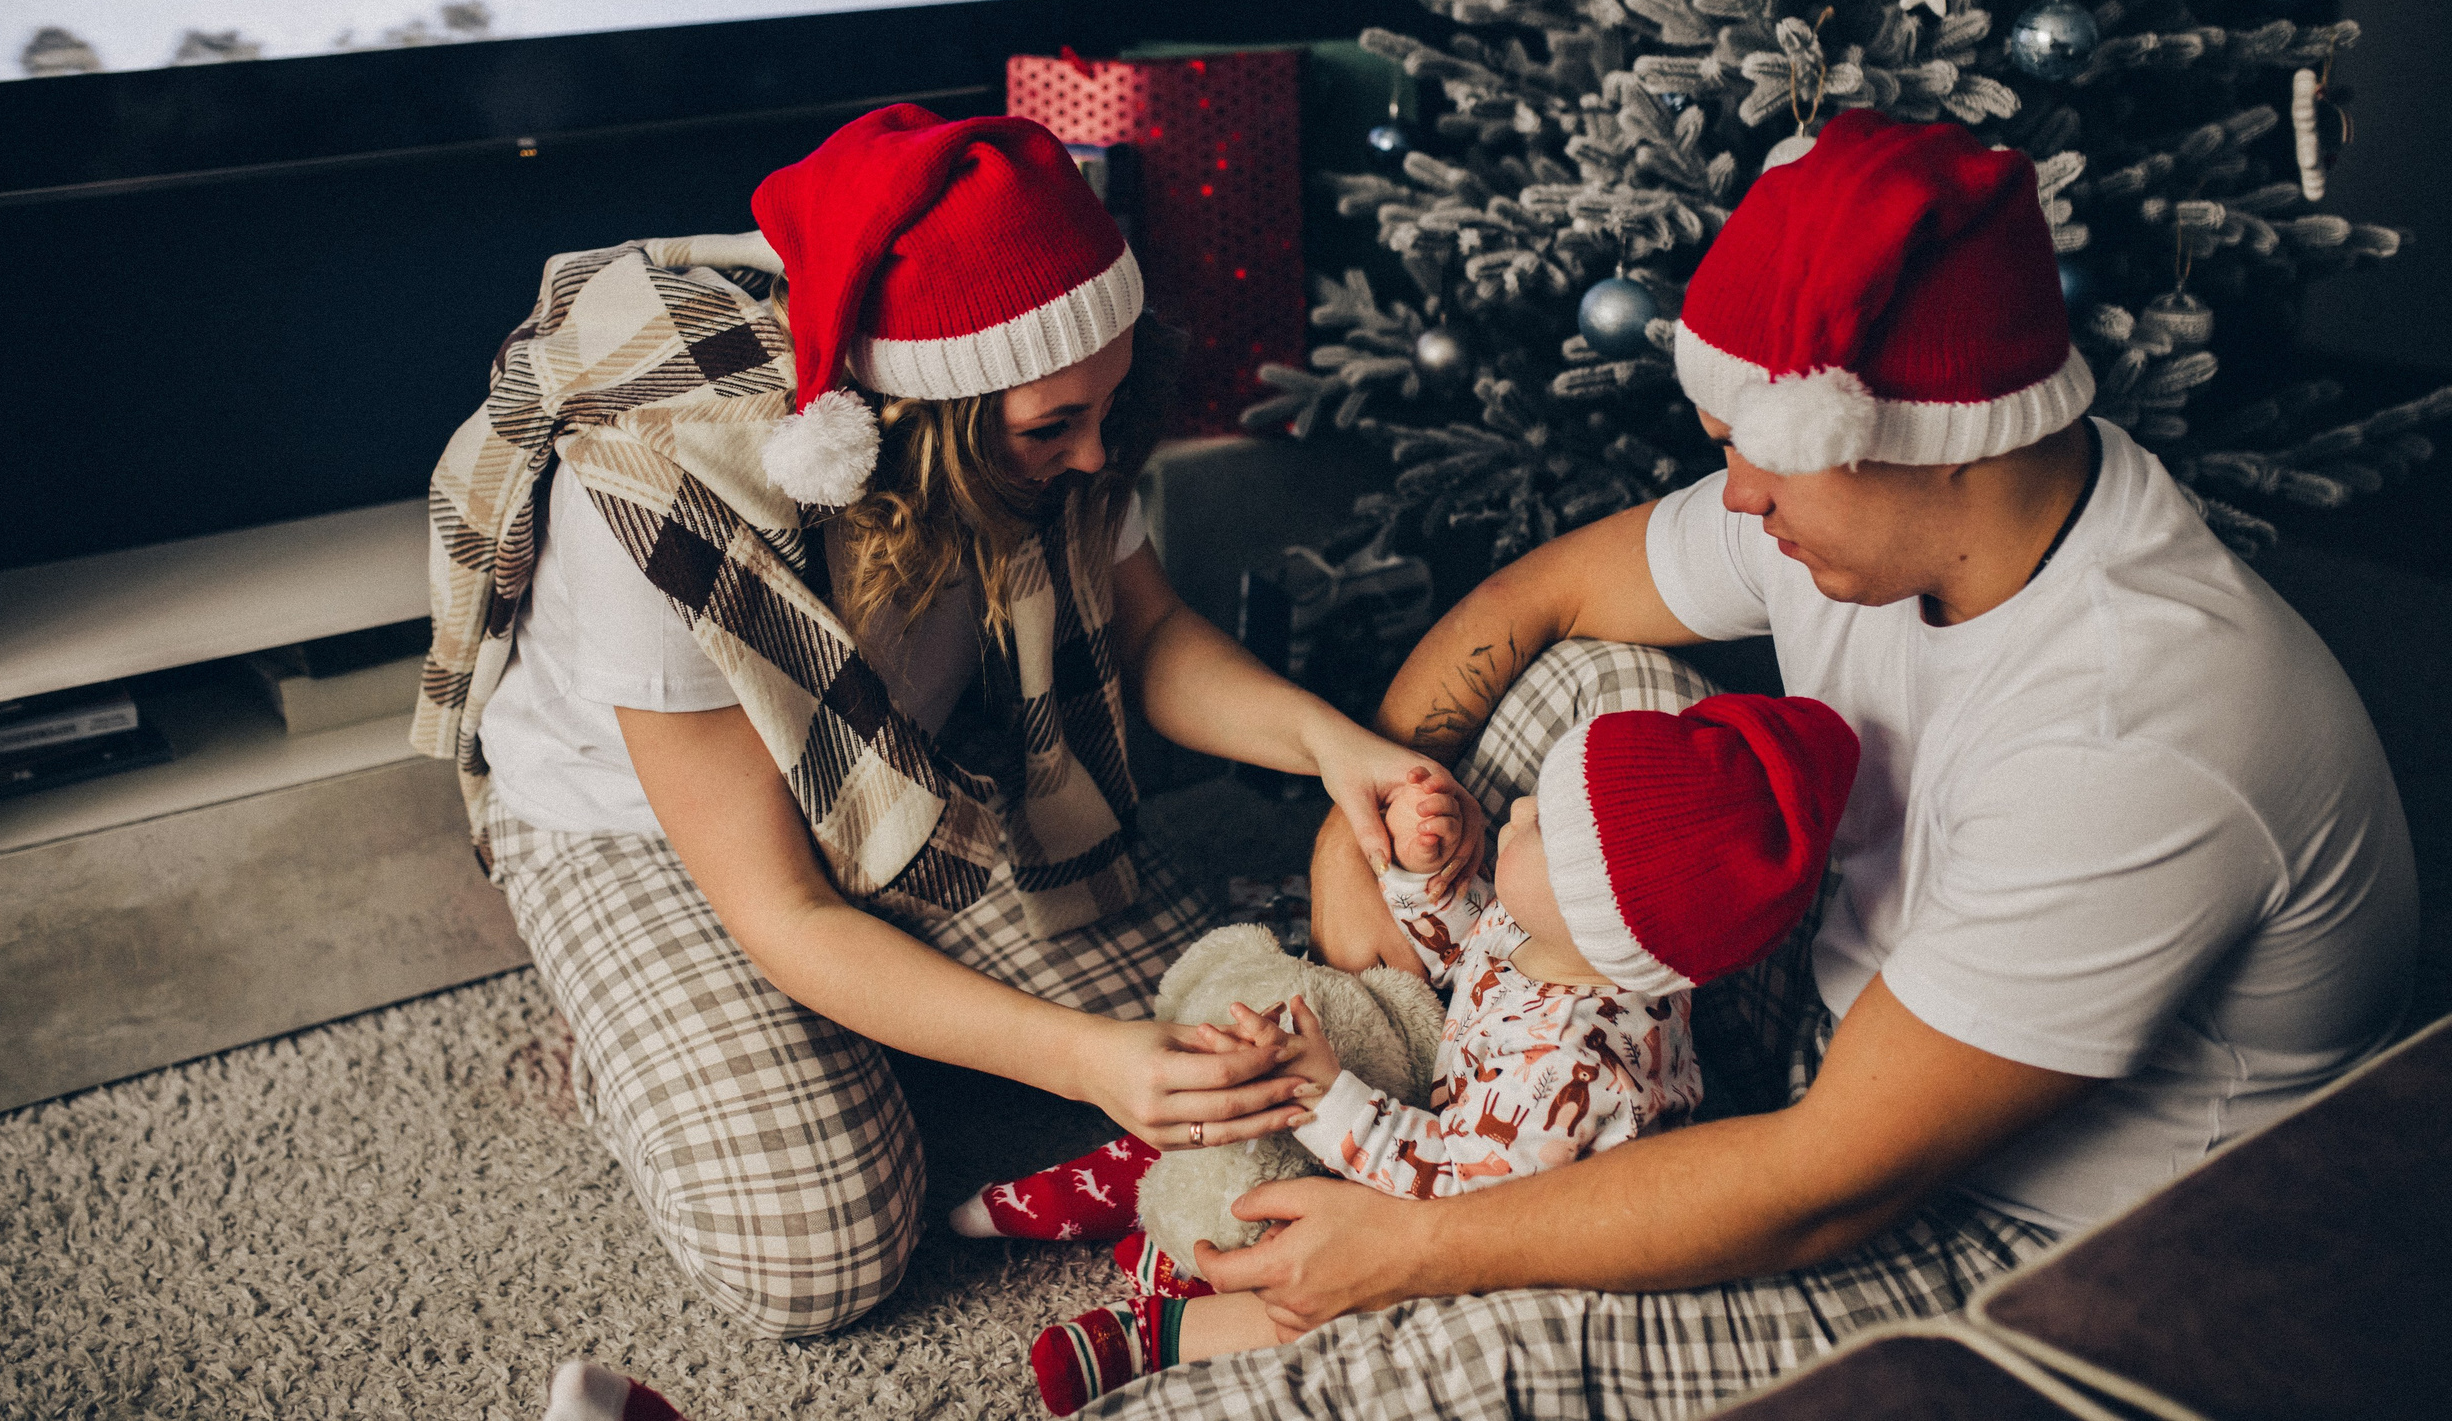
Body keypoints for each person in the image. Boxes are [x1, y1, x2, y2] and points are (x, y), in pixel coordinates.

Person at [1088, 110, 2418, 1420]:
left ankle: (1381, 1248)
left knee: (1443, 1360)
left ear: (1927, 444)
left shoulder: (2133, 735)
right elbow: (1540, 595)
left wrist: (1420, 1246)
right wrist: (1358, 811)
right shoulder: (1870, 510)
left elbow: (1825, 1180)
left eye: (1755, 453)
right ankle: (1462, 1087)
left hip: (2018, 1222)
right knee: (1584, 681)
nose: (1736, 496)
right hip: (1845, 1024)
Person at [412, 105, 1474, 1339]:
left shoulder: (1065, 406)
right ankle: (637, 1047)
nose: (1096, 459)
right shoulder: (661, 502)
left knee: (1236, 1041)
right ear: (916, 422)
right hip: (644, 830)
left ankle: (856, 1029)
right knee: (816, 1255)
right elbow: (785, 907)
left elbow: (1150, 638)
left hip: (904, 768)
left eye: (1109, 410)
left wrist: (1331, 744)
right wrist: (1080, 1059)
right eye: (1052, 431)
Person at [1021, 693, 1860, 1415]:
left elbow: (1445, 1196)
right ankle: (1176, 1215)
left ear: (1596, 912)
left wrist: (1328, 1097)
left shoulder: (1575, 1070)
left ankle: (1168, 1333)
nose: (1517, 807)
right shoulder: (1568, 941)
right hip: (1456, 1145)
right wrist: (1423, 877)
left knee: (1352, 1305)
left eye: (1541, 824)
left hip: (1508, 1239)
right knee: (1281, 1122)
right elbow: (1469, 950)